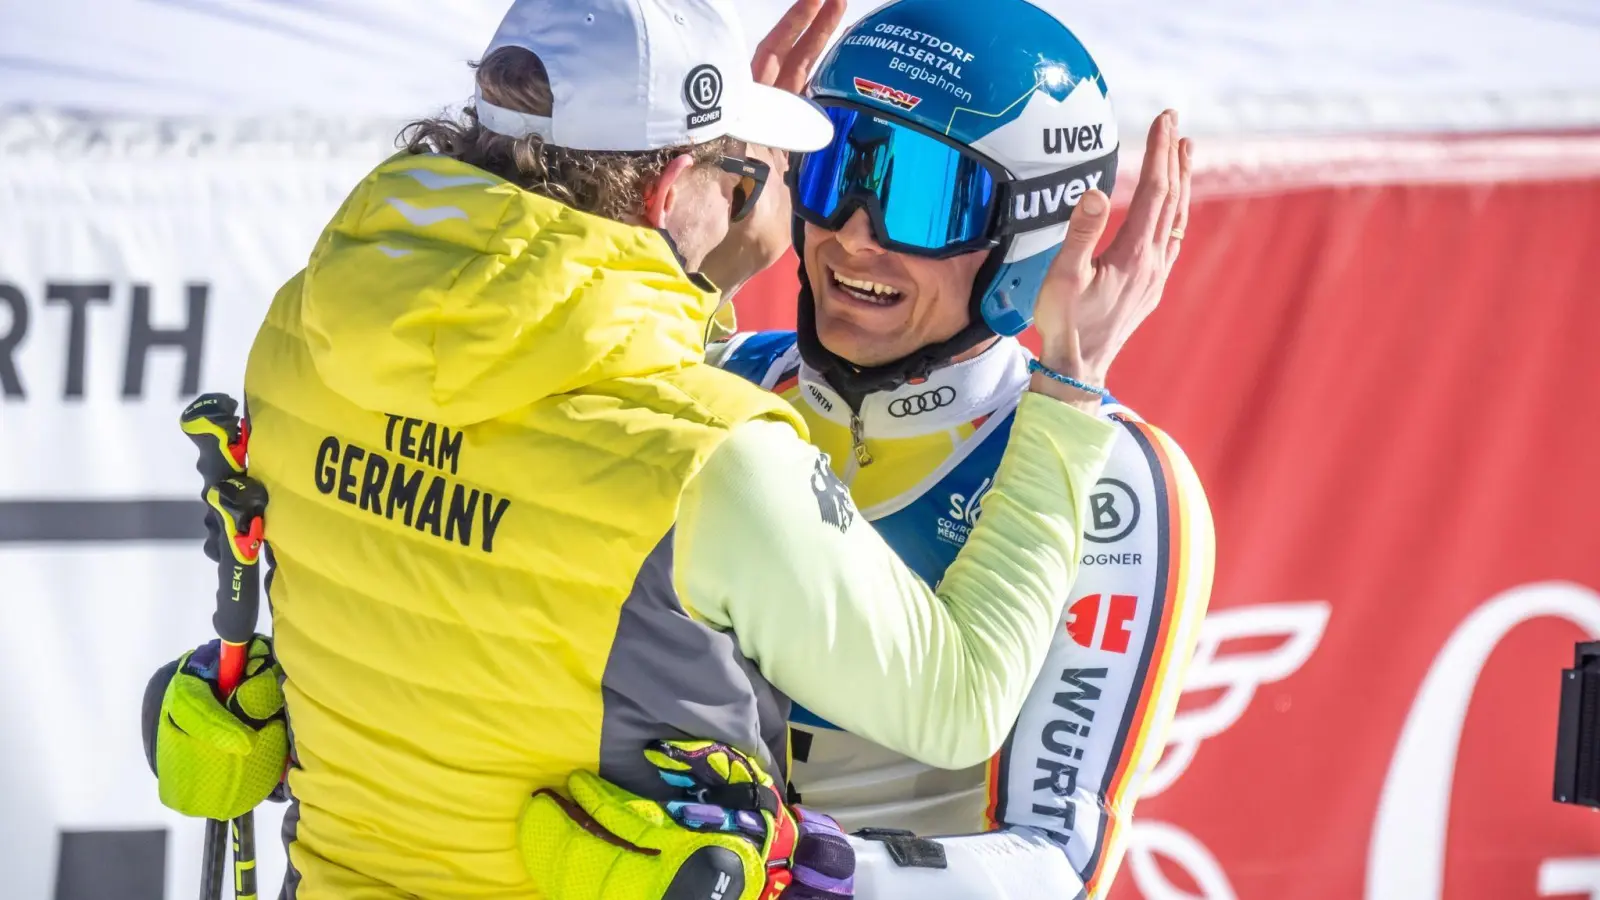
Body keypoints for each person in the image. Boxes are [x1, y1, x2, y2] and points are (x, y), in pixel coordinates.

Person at [136, 0, 1158, 897]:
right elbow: (958, 703)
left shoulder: (303, 334)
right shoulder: (719, 453)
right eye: (760, 169)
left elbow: (480, 571)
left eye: (917, 196)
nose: (842, 224)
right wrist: (1069, 397)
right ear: (672, 190)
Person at [697, 1, 1217, 897]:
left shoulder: (1119, 478)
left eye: (922, 196)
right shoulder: (727, 377)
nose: (854, 233)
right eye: (835, 168)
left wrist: (784, 872)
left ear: (1032, 237)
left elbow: (1055, 866)